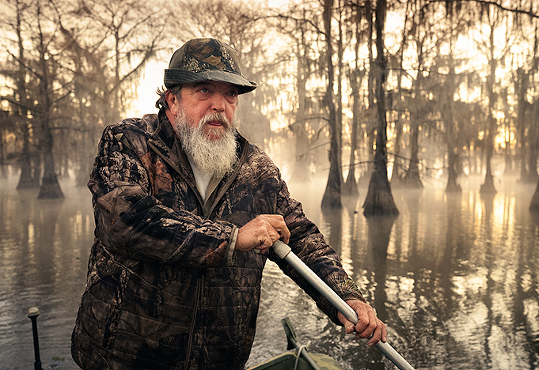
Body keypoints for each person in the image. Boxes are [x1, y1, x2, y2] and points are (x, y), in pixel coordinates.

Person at [71, 37, 386, 370]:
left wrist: (346, 296)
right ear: (172, 100)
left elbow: (305, 239)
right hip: (123, 359)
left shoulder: (257, 169)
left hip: (219, 360)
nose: (219, 105)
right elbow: (125, 222)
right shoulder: (129, 141)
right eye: (204, 91)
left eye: (230, 94)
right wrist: (232, 238)